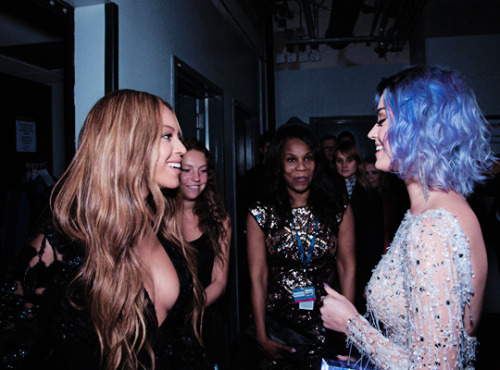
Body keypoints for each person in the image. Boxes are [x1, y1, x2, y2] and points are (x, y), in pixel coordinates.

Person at [0, 90, 213, 369]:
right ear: (127, 143)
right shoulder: (60, 244)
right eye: (167, 136)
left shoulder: (161, 230)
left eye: (178, 136)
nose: (182, 149)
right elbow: (14, 348)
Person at [320, 66, 494, 369]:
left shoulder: (432, 229)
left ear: (420, 126)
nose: (372, 132)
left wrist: (352, 325)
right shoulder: (431, 211)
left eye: (382, 120)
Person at [247, 120, 355, 369]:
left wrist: (351, 328)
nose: (301, 169)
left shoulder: (337, 208)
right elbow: (258, 277)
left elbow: (347, 266)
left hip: (329, 326)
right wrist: (263, 338)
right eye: (291, 160)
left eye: (308, 159)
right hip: (281, 331)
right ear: (278, 164)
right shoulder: (260, 213)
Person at [179, 137, 231, 367]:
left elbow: (219, 281)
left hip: (205, 323)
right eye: (187, 170)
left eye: (202, 171)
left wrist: (191, 308)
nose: (196, 178)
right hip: (165, 324)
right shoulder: (155, 218)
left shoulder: (220, 220)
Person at [335, 142, 384, 313]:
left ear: (357, 162)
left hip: (363, 264)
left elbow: (375, 238)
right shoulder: (329, 193)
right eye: (339, 160)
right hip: (336, 266)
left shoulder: (369, 195)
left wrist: (372, 275)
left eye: (349, 160)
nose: (344, 165)